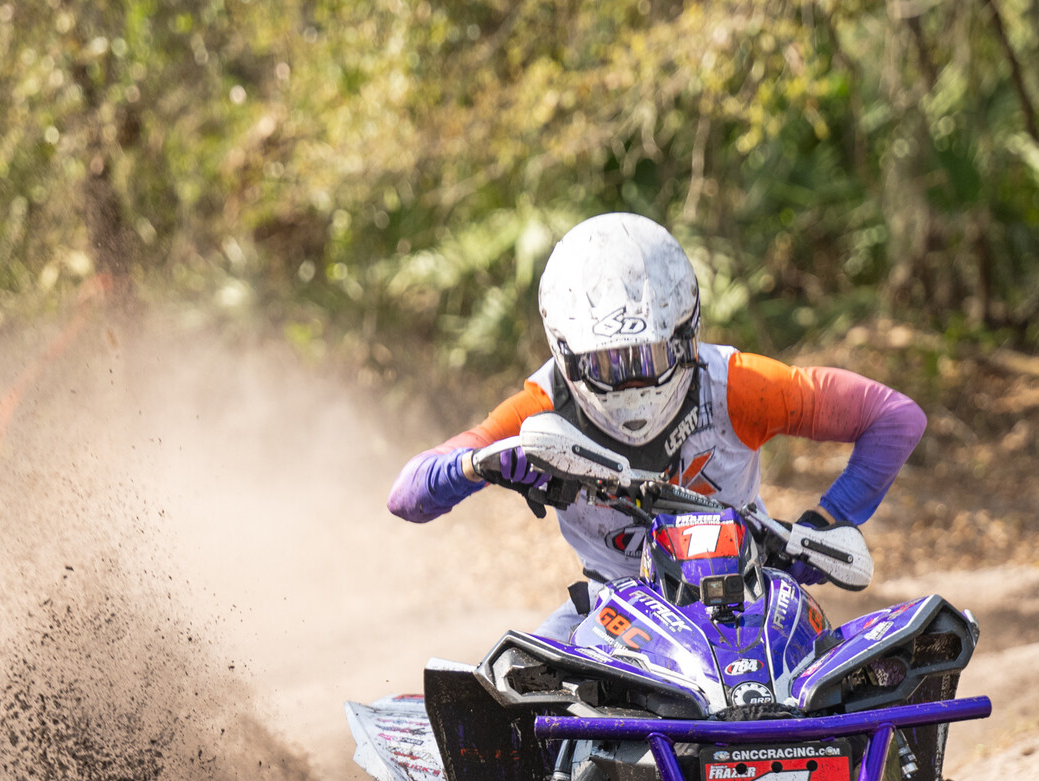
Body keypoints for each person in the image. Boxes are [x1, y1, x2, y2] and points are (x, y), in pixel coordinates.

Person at [387, 212, 927, 637]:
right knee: (511, 701)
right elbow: (406, 495)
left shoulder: (736, 385)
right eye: (607, 364)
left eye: (649, 357)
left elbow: (893, 418)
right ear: (566, 354)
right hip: (613, 608)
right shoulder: (543, 406)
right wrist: (479, 464)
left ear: (686, 334)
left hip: (744, 593)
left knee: (854, 689)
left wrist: (822, 524)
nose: (632, 381)